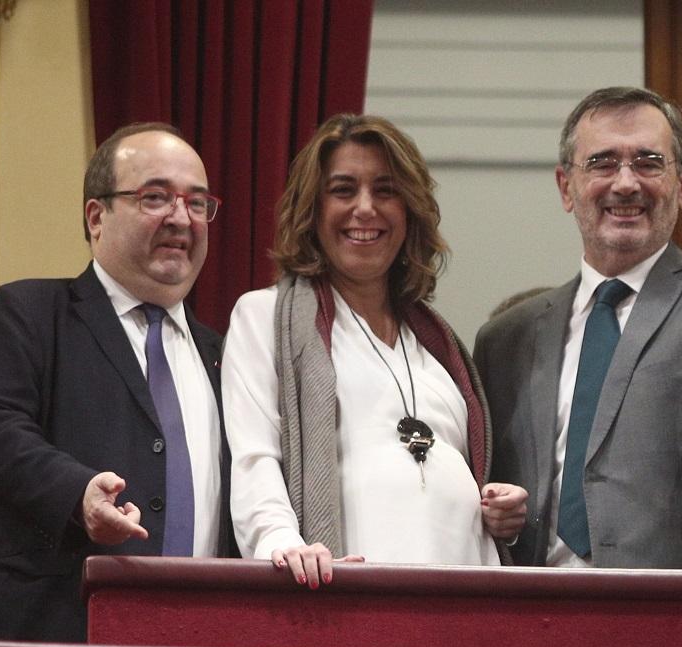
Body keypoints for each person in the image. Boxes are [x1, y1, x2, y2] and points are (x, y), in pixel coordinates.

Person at [475, 86, 682, 607]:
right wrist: (496, 517)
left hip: (673, 606)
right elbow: (498, 487)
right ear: (566, 186)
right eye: (601, 163)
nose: (625, 183)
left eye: (648, 162)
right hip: (527, 611)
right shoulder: (507, 337)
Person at [0, 122, 233, 643]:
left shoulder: (226, 355)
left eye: (197, 203)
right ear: (96, 215)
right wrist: (76, 493)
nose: (181, 217)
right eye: (156, 197)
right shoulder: (28, 312)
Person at [224, 114, 522, 589]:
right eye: (343, 190)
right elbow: (254, 457)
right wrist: (280, 543)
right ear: (313, 209)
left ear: (409, 210)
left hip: (469, 595)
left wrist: (497, 509)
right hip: (351, 597)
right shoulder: (264, 317)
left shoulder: (437, 342)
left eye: (385, 191)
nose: (365, 208)